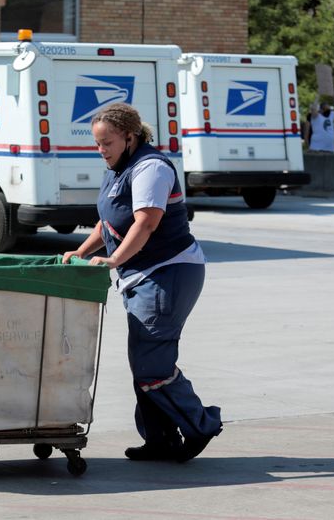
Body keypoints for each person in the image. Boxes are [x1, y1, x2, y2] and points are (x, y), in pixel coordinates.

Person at [62, 103, 222, 463]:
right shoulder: (118, 168)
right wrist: (82, 251)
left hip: (169, 272)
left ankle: (201, 424)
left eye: (107, 143)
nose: (101, 150)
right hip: (142, 275)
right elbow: (108, 222)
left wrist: (114, 260)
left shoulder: (151, 168)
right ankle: (160, 440)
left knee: (152, 365)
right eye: (98, 144)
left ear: (130, 137)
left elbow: (146, 223)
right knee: (144, 362)